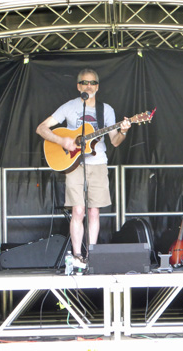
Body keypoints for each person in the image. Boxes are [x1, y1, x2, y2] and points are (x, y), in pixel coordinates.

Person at [36, 68, 131, 271]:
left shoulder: (106, 110)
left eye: (93, 83)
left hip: (98, 163)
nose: (90, 86)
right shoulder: (69, 107)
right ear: (79, 86)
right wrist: (62, 140)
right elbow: (42, 128)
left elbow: (114, 141)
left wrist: (122, 131)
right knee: (78, 210)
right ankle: (77, 255)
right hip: (74, 164)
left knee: (94, 211)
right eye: (85, 83)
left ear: (98, 86)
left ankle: (92, 255)